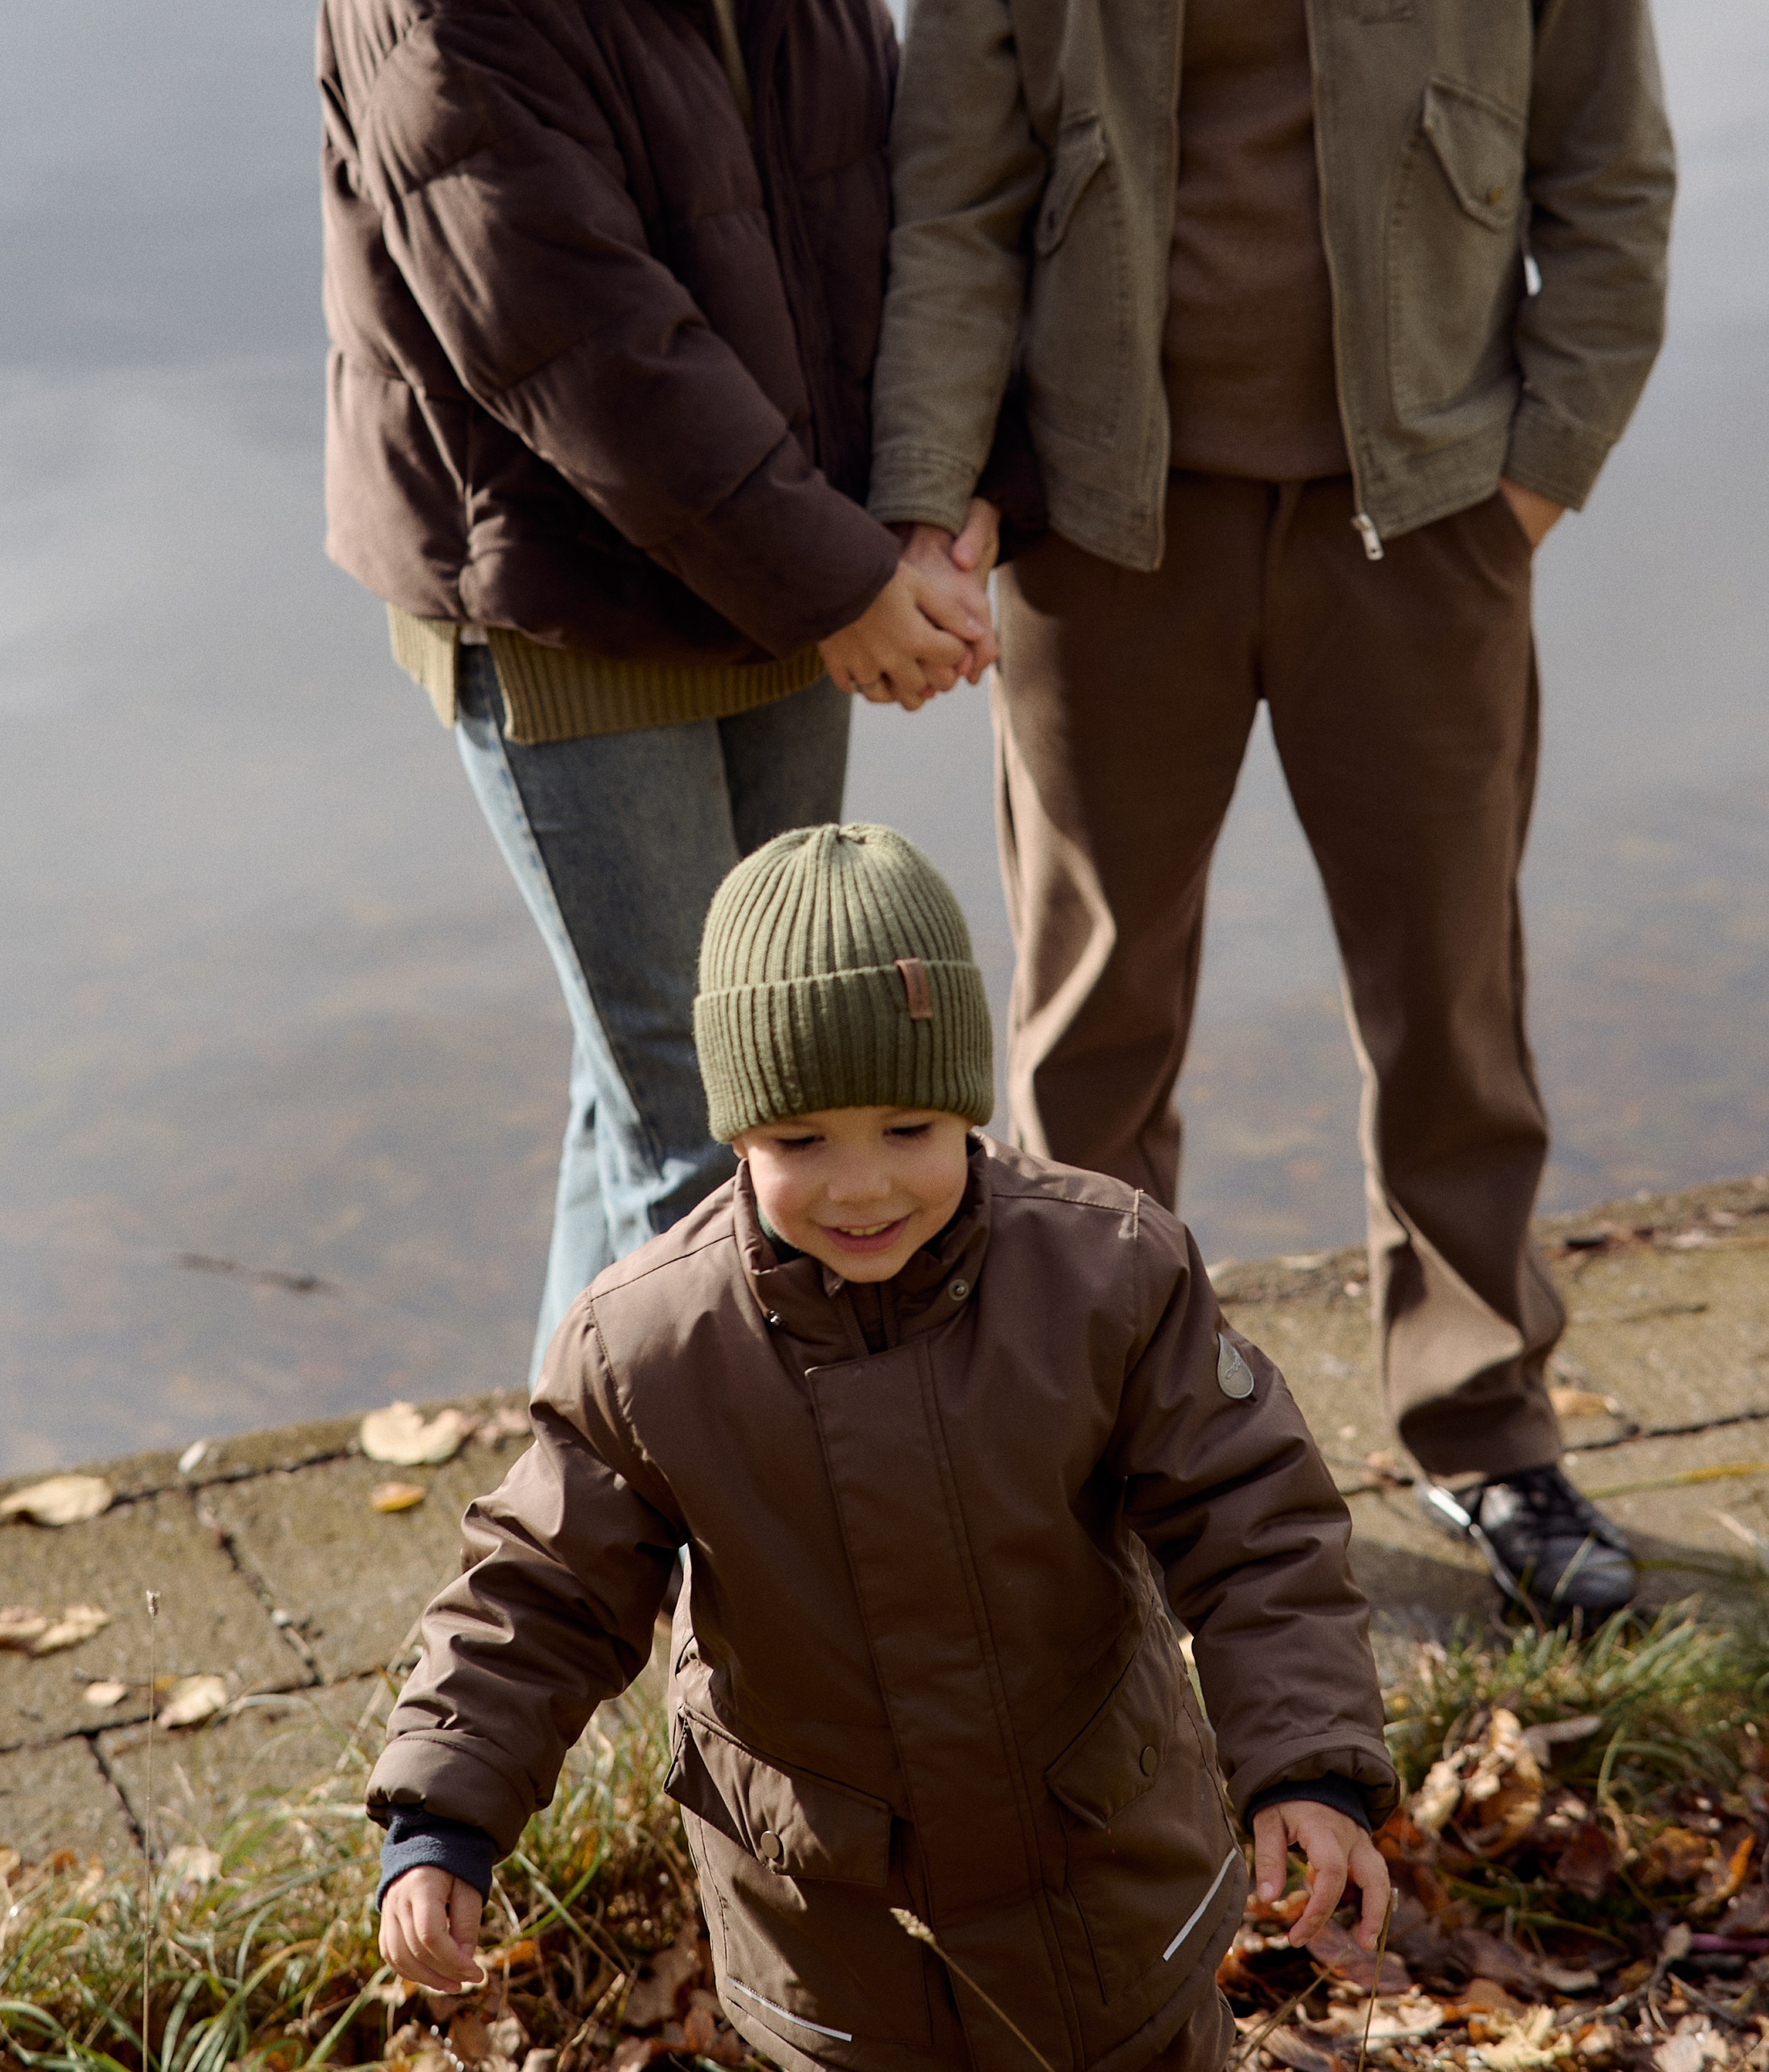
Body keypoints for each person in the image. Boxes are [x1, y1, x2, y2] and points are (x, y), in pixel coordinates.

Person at [865, 0, 1675, 1624]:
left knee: (1451, 1000)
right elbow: (953, 205)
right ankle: (1105, 1442)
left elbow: (1612, 172)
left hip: (1420, 515)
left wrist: (1537, 475)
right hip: (1097, 532)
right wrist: (935, 506)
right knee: (1089, 1035)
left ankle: (1487, 1435)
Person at [319, 0, 988, 1381]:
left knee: (683, 1092)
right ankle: (707, 1597)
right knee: (715, 1130)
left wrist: (930, 509)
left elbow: (867, 207)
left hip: (781, 575)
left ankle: (567, 1508)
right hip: (565, 609)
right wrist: (834, 576)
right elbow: (573, 342)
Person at [370, 822, 1395, 2070]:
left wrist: (1307, 1760)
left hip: (1105, 1875)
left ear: (971, 1104)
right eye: (802, 1140)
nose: (862, 1186)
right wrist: (442, 1814)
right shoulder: (648, 1345)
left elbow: (1255, 1522)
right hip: (839, 1926)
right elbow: (539, 1590)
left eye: (909, 1127)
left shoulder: (1109, 1272)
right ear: (737, 1130)